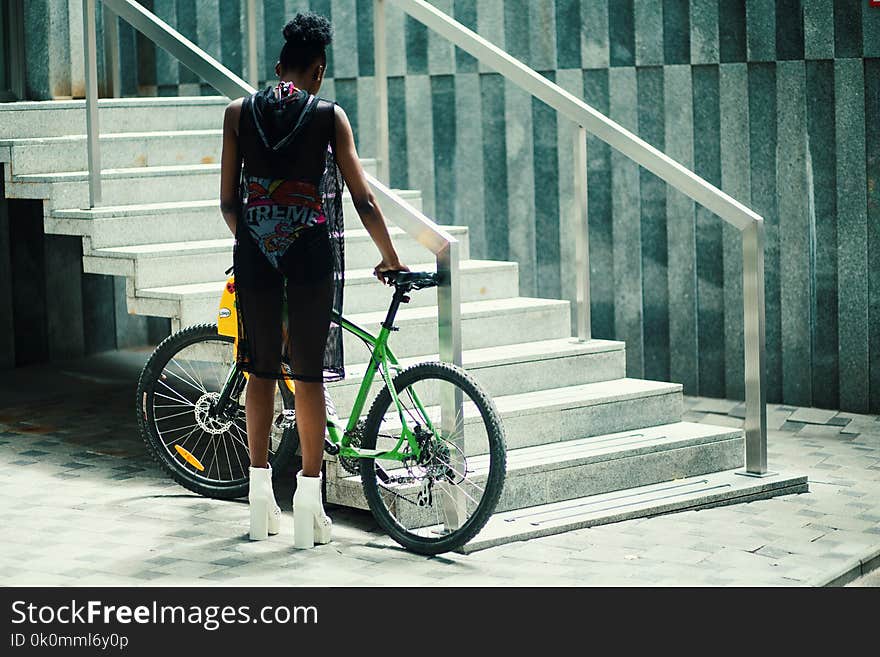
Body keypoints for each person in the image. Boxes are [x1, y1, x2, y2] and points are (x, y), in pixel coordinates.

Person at [219, 11, 409, 548]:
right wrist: (389, 257)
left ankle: (259, 504)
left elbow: (230, 202)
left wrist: (259, 237)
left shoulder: (238, 113)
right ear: (318, 70)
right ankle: (308, 508)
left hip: (255, 255)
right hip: (309, 255)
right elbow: (363, 198)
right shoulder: (329, 117)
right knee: (305, 375)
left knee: (258, 370)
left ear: (280, 65)